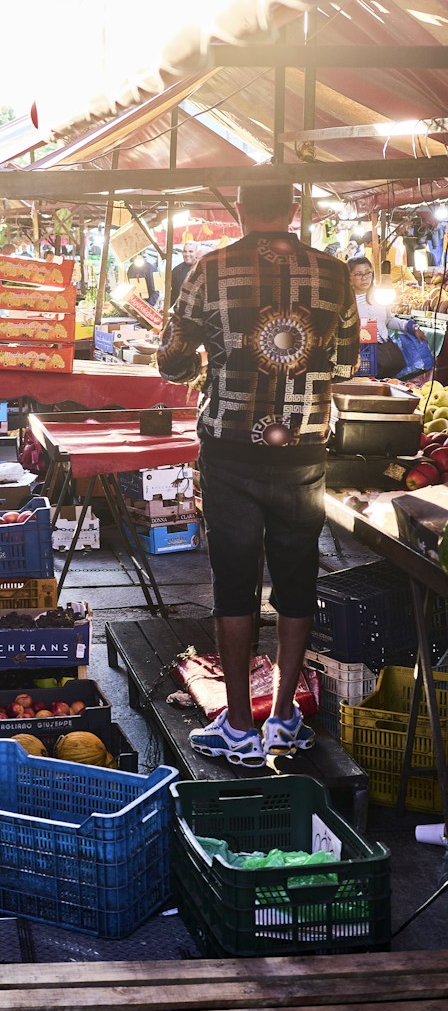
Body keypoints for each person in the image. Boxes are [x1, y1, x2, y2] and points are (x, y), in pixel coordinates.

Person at [158, 182, 359, 767]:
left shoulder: (210, 268)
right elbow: (345, 363)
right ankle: (285, 720)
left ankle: (240, 724)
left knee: (234, 580)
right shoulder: (336, 274)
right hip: (301, 450)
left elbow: (171, 357)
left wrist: (210, 358)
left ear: (242, 209)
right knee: (297, 577)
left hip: (230, 450)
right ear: (294, 210)